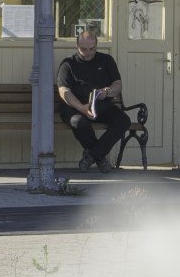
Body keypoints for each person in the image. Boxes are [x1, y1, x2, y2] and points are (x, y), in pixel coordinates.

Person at [54, 29, 129, 172]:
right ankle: (100, 158)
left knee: (123, 120)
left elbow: (118, 85)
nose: (88, 52)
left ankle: (92, 155)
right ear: (77, 46)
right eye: (83, 49)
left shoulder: (106, 60)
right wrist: (81, 108)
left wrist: (106, 92)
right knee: (79, 122)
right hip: (75, 107)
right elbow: (64, 91)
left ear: (96, 45)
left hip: (100, 105)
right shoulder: (68, 64)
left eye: (92, 49)